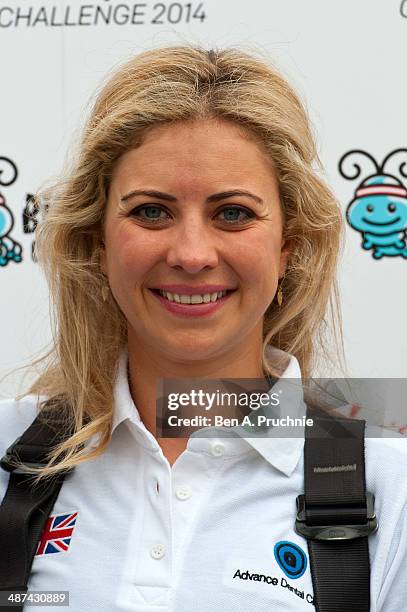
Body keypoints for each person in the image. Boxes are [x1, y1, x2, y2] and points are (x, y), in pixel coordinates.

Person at [0, 44, 406, 611]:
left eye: (233, 213)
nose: (192, 254)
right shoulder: (7, 454)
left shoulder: (389, 486)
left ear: (287, 246)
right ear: (98, 242)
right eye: (150, 211)